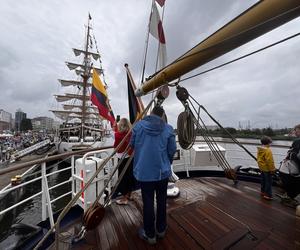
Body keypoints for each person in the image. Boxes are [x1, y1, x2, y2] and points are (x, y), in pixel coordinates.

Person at [130, 106, 177, 245]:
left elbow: (132, 144)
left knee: (148, 202)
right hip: (162, 173)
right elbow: (172, 149)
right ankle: (161, 230)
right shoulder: (168, 129)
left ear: (150, 114)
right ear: (162, 115)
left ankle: (150, 235)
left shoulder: (138, 127)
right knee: (162, 200)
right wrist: (167, 162)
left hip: (145, 174)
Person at [113, 118, 134, 205]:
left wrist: (114, 127)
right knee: (129, 176)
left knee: (122, 178)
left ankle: (124, 198)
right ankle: (129, 195)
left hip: (122, 158)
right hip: (130, 157)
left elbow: (116, 145)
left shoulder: (117, 135)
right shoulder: (131, 134)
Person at [279, 124, 300, 205]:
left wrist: (290, 154)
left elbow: (295, 154)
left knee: (289, 179)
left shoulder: (297, 141)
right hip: (295, 167)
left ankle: (291, 197)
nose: (295, 132)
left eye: (296, 130)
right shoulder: (297, 141)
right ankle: (291, 197)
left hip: (295, 168)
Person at [257, 136, 276, 200]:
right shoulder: (268, 150)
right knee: (268, 182)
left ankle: (263, 192)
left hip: (262, 168)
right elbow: (269, 161)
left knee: (263, 180)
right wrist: (272, 169)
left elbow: (259, 159)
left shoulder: (260, 149)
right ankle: (268, 195)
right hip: (267, 169)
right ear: (268, 142)